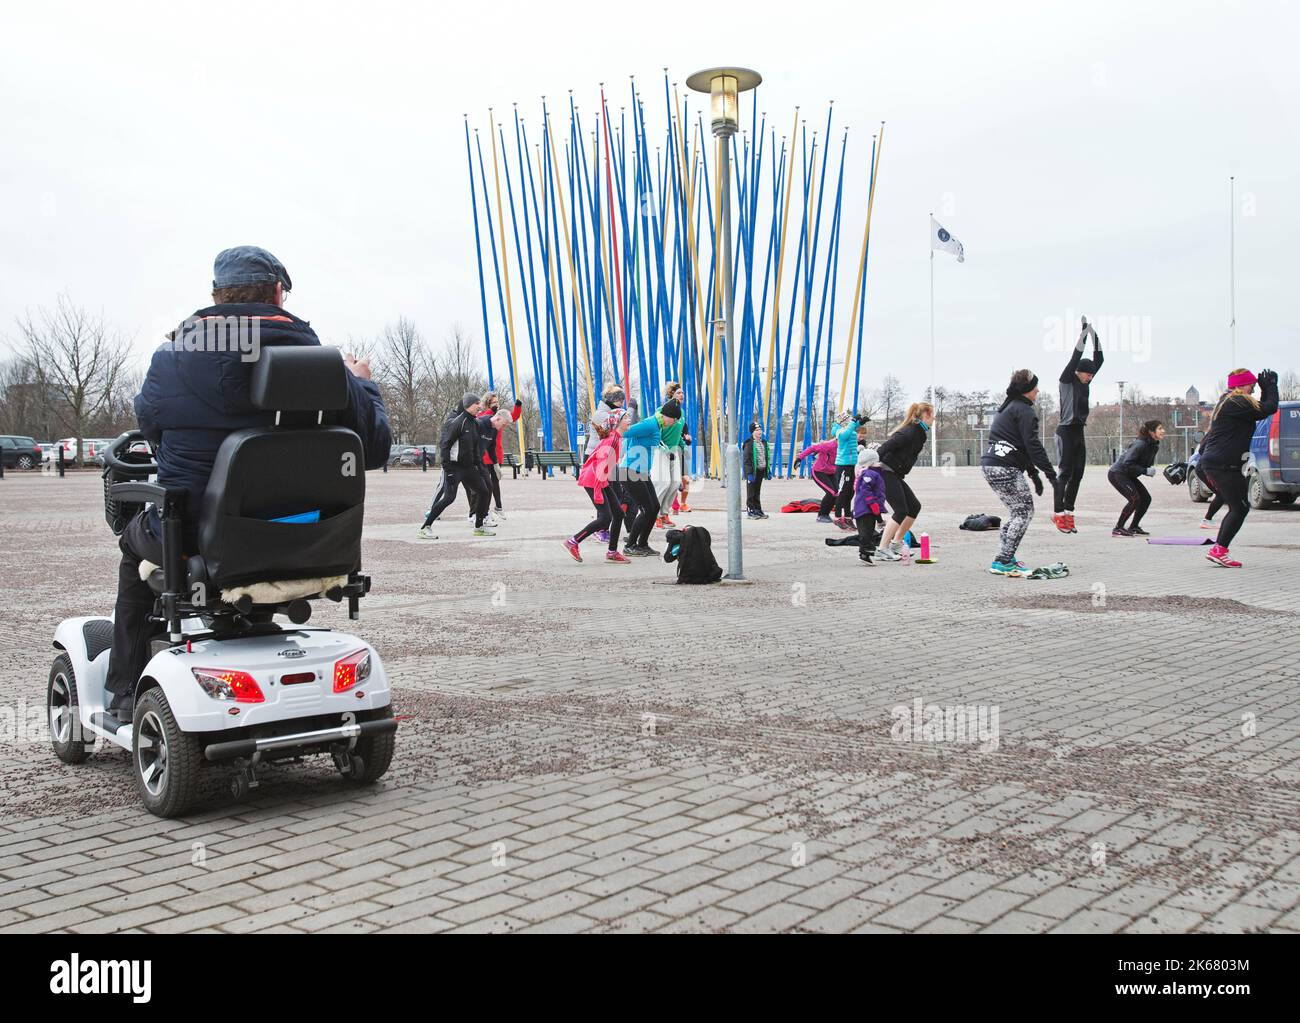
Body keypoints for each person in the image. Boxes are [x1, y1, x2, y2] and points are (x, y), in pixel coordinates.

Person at [106, 246, 392, 721]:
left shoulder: (172, 357)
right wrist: (360, 383)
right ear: (278, 293)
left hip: (198, 536)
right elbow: (376, 449)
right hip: (308, 533)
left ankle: (121, 694)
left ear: (217, 296)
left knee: (132, 541)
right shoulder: (320, 362)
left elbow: (152, 431)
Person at [980, 369, 1058, 576]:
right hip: (1005, 467)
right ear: (1027, 390)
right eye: (1035, 388)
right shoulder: (1024, 411)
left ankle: (1006, 556)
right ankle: (1003, 560)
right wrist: (1051, 475)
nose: (1038, 391)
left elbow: (1021, 446)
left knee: (1016, 512)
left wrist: (1034, 475)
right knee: (1024, 512)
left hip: (990, 465)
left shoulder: (1007, 408)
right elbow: (1032, 445)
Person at [1198, 367, 1279, 567]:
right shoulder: (1236, 401)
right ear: (1242, 385)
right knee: (1240, 507)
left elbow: (1263, 407)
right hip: (1223, 464)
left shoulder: (1231, 401)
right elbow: (1268, 408)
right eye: (1251, 385)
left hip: (1222, 463)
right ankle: (1219, 550)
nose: (1253, 388)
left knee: (1238, 506)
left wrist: (1265, 389)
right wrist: (1271, 387)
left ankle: (1219, 549)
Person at [1052, 317, 1103, 534]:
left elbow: (1099, 359)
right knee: (1064, 474)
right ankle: (1058, 514)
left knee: (1078, 474)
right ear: (1078, 372)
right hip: (1065, 431)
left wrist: (1094, 334)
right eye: (1087, 374)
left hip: (1079, 432)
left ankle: (1070, 513)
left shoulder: (1086, 380)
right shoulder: (1067, 379)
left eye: (1092, 375)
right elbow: (1076, 357)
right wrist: (1083, 334)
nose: (1090, 378)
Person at [419, 393, 492, 538]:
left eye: (479, 403)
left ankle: (478, 526)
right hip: (454, 467)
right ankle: (425, 527)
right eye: (476, 403)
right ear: (468, 405)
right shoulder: (458, 422)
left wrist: (480, 468)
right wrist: (448, 470)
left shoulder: (474, 423)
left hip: (469, 467)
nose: (479, 406)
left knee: (484, 491)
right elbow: (445, 446)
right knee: (449, 498)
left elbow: (475, 449)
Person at [565, 408, 632, 563]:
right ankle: (572, 542)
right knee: (605, 517)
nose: (629, 419)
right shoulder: (613, 439)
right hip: (594, 479)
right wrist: (597, 491)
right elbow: (600, 466)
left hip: (601, 479)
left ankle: (612, 552)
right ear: (617, 422)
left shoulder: (616, 437)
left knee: (618, 513)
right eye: (626, 417)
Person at [875, 402, 933, 561]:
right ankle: (882, 549)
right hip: (884, 472)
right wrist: (871, 466)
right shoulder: (909, 432)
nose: (933, 419)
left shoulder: (919, 432)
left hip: (895, 473)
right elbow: (885, 447)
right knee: (900, 510)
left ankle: (896, 543)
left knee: (914, 506)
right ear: (926, 415)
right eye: (932, 415)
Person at [618, 401, 673, 556]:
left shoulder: (658, 425)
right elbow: (625, 431)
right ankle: (630, 545)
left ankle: (642, 544)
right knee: (647, 508)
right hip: (630, 471)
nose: (674, 423)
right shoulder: (650, 424)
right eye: (673, 420)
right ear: (666, 416)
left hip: (641, 471)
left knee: (654, 507)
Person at [1108, 420, 1164, 537]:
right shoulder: (1140, 444)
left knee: (1146, 498)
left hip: (1129, 474)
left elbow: (1143, 464)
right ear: (1151, 432)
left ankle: (1133, 527)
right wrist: (1145, 471)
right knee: (1134, 499)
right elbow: (1127, 463)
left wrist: (1149, 470)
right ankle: (1118, 528)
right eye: (1159, 428)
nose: (1163, 431)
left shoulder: (1154, 445)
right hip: (1118, 473)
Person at [476, 390, 522, 520]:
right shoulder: (486, 416)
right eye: (494, 402)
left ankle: (498, 507)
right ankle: (485, 511)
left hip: (497, 453)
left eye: (497, 402)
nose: (497, 404)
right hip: (485, 454)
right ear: (488, 403)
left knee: (495, 481)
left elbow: (512, 417)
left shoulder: (501, 415)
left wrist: (518, 406)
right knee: (487, 484)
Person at [655, 382, 688, 529]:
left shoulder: (682, 414)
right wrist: (664, 448)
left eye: (682, 393)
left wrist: (682, 445)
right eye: (679, 392)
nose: (682, 395)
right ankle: (654, 514)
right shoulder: (661, 411)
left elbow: (678, 434)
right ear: (671, 395)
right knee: (664, 482)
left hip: (674, 450)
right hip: (661, 450)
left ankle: (664, 514)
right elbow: (656, 434)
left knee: (675, 483)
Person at [852, 444, 889, 565]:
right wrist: (872, 503)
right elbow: (865, 490)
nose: (879, 463)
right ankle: (866, 549)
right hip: (865, 508)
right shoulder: (869, 474)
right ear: (871, 463)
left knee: (868, 531)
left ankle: (865, 555)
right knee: (865, 531)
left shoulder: (873, 473)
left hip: (869, 508)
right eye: (876, 461)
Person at [795, 435, 841, 524]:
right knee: (831, 493)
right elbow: (812, 448)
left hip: (831, 472)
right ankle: (821, 515)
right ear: (838, 439)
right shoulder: (828, 445)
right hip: (819, 471)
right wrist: (799, 458)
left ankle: (826, 515)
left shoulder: (845, 448)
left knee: (836, 493)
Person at [1188, 442, 1225, 529]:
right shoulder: (1216, 432)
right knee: (1222, 494)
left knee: (1223, 494)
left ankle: (1208, 520)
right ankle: (1207, 520)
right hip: (1206, 469)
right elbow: (1201, 450)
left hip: (1208, 468)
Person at [741, 422, 772, 519]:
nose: (759, 432)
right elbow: (746, 460)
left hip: (761, 470)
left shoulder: (764, 442)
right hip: (752, 472)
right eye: (757, 430)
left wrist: (768, 470)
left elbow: (766, 457)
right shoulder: (749, 443)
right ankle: (750, 510)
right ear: (752, 432)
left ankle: (758, 510)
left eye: (760, 430)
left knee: (757, 491)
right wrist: (749, 473)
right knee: (751, 491)